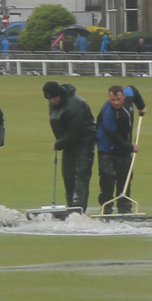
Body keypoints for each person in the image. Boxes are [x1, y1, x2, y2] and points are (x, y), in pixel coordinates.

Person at [44, 81, 96, 212]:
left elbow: (74, 133)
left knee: (80, 176)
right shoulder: (53, 102)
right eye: (49, 99)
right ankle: (70, 208)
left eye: (53, 98)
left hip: (84, 143)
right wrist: (60, 141)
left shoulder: (76, 105)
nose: (52, 101)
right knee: (68, 176)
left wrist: (58, 144)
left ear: (59, 94)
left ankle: (78, 210)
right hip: (68, 145)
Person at [95, 85, 142, 214]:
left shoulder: (129, 95)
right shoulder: (108, 114)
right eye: (112, 100)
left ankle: (125, 208)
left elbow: (134, 89)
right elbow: (114, 137)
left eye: (118, 99)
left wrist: (142, 107)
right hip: (106, 147)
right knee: (107, 176)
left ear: (124, 97)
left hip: (123, 147)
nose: (115, 103)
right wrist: (131, 147)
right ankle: (106, 208)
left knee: (125, 177)